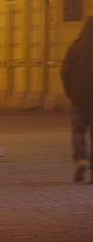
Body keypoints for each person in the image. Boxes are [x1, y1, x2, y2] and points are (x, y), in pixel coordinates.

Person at [61, 17, 93, 182]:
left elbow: (65, 73)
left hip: (79, 98)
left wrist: (71, 93)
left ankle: (81, 159)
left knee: (78, 132)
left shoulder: (74, 48)